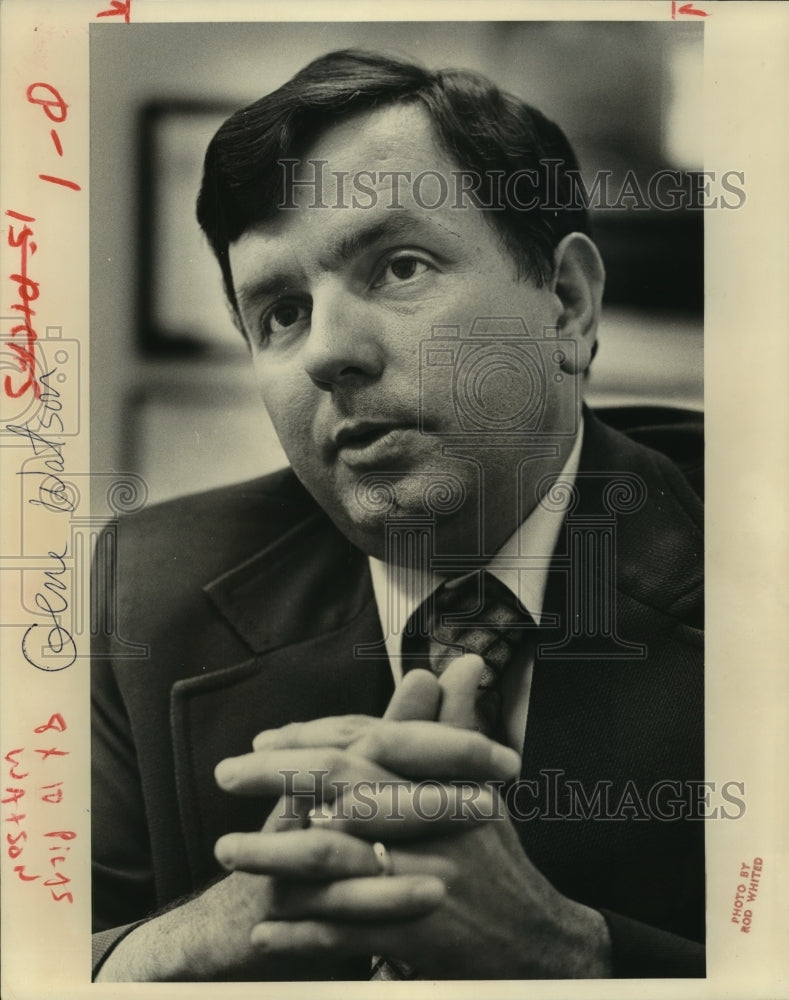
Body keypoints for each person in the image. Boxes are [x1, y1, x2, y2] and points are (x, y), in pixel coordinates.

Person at [91, 49, 704, 981]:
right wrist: (180, 945)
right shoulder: (142, 588)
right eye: (282, 312)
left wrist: (573, 956)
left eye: (399, 267)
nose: (328, 352)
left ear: (565, 306)